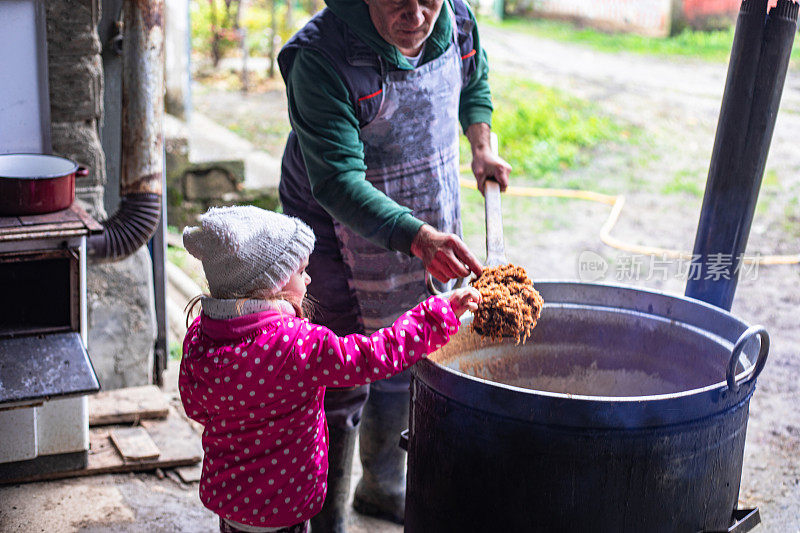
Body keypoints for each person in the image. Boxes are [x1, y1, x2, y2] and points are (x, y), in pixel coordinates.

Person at [277, 0, 511, 528]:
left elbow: (473, 80)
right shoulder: (321, 59)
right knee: (338, 370)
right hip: (335, 234)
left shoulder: (457, 18)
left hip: (423, 214)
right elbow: (337, 181)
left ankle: (383, 486)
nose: (416, 15)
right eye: (396, 0)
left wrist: (481, 145)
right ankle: (326, 518)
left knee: (409, 348)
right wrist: (419, 238)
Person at [178, 205, 481, 533]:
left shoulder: (200, 335)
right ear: (270, 283)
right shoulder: (296, 345)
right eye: (300, 271)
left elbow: (195, 405)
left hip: (232, 505)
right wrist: (437, 316)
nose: (308, 278)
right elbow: (372, 356)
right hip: (285, 507)